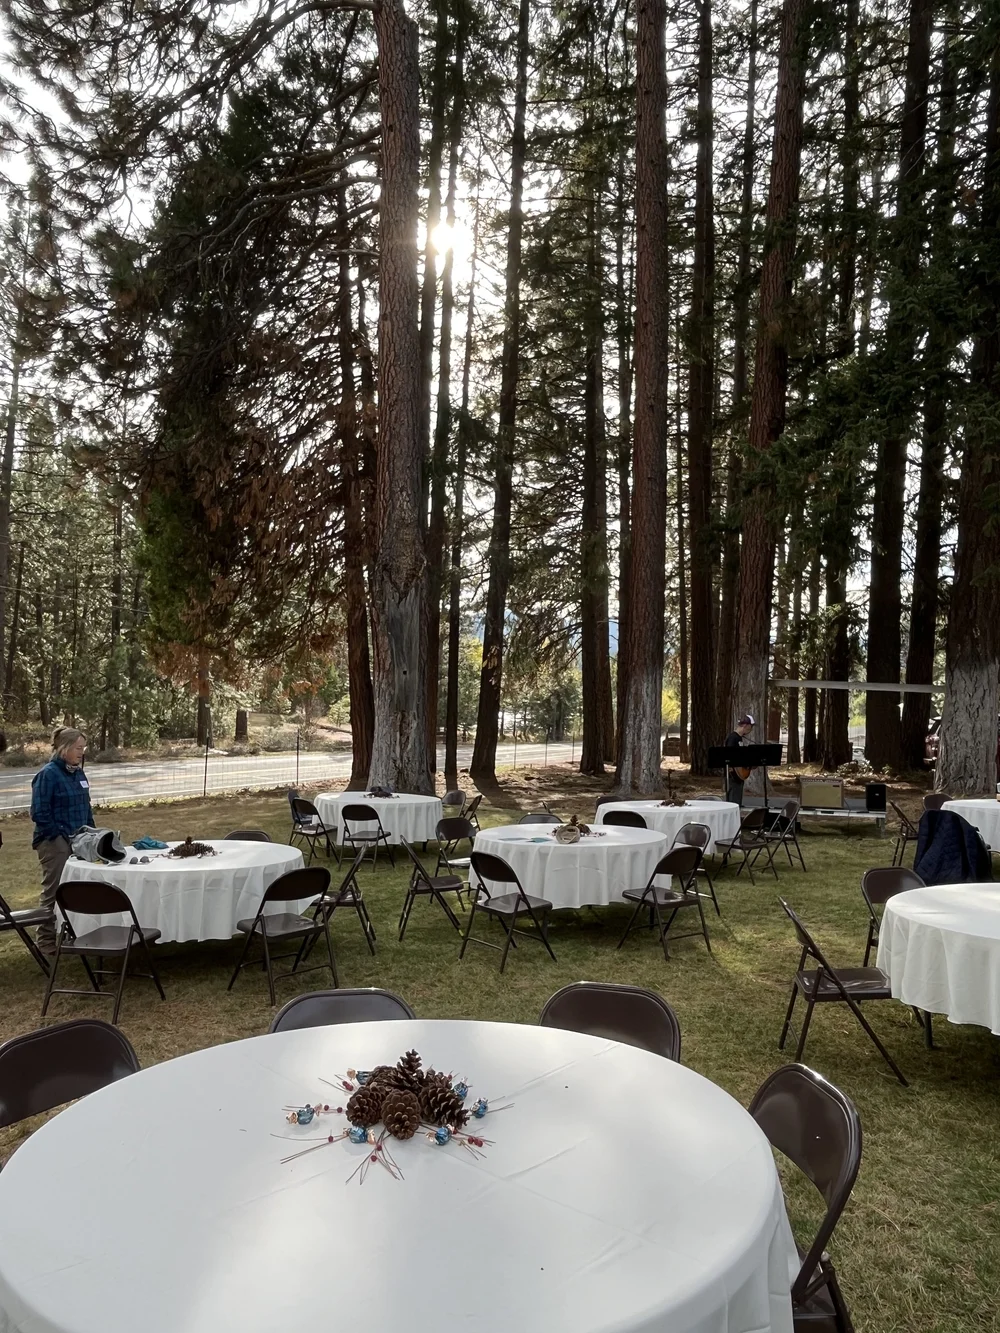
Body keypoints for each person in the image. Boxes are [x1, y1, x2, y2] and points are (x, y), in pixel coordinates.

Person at [30, 727, 94, 956]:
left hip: (80, 839)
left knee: (78, 887)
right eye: (78, 748)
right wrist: (58, 838)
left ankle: (70, 934)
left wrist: (92, 834)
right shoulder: (48, 774)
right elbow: (39, 812)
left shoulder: (78, 773)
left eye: (83, 748)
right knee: (55, 889)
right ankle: (45, 940)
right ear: (64, 748)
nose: (82, 752)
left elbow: (86, 806)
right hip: (54, 842)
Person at [724, 714, 754, 807]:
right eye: (751, 726)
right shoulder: (733, 738)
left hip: (739, 775)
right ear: (745, 725)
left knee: (737, 801)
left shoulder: (739, 738)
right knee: (733, 803)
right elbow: (729, 755)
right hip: (733, 775)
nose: (751, 729)